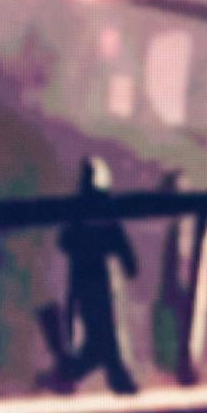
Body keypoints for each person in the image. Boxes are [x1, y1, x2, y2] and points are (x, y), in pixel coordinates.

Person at [36, 153, 140, 396]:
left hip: (88, 282)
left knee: (100, 341)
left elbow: (67, 242)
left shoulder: (85, 214)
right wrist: (127, 264)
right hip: (95, 283)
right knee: (105, 338)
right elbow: (120, 247)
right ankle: (114, 378)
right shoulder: (99, 214)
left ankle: (73, 375)